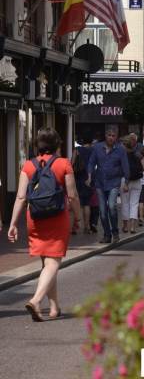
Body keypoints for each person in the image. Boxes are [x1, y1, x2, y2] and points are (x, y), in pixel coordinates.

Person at [8, 127, 80, 321]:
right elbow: (72, 195)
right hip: (57, 217)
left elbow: (21, 197)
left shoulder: (28, 165)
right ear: (57, 143)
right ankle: (36, 300)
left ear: (37, 144)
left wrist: (13, 223)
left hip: (35, 217)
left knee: (47, 263)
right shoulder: (64, 163)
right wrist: (79, 218)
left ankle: (54, 308)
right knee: (53, 261)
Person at [86, 127, 130, 245]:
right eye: (109, 135)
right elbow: (91, 163)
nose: (111, 138)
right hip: (100, 182)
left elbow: (125, 166)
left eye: (113, 136)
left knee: (112, 206)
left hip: (114, 182)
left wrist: (126, 182)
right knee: (102, 210)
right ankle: (107, 234)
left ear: (116, 137)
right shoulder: (98, 148)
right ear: (105, 135)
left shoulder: (120, 149)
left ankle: (115, 232)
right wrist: (89, 177)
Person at [70, 132, 94, 234]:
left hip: (78, 178)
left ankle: (75, 226)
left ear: (83, 140)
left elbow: (72, 163)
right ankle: (87, 226)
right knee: (87, 203)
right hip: (89, 178)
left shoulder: (77, 150)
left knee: (77, 203)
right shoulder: (93, 151)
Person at [119, 136, 143, 233]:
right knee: (134, 204)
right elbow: (142, 168)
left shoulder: (121, 155)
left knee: (125, 203)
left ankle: (125, 226)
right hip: (137, 181)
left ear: (124, 145)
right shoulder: (137, 155)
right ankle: (132, 227)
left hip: (125, 181)